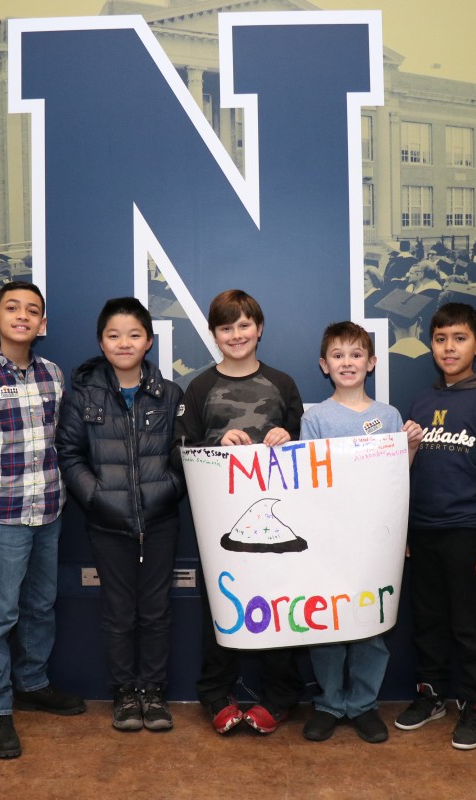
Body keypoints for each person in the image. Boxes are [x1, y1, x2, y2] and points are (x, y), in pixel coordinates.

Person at [0, 281, 85, 759]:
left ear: (42, 324)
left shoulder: (53, 374)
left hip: (49, 510)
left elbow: (58, 443)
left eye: (32, 311)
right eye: (12, 308)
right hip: (2, 516)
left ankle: (32, 683)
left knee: (40, 606)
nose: (23, 316)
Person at [174, 289, 305, 736]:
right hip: (219, 525)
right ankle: (215, 694)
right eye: (226, 327)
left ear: (259, 328)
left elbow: (308, 457)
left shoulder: (283, 384)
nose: (236, 334)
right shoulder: (199, 387)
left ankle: (281, 696)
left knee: (278, 606)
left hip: (276, 523)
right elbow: (179, 453)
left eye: (244, 325)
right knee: (223, 609)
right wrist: (216, 445)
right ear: (213, 334)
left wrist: (289, 438)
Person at [56, 297, 185, 732]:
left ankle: (153, 691)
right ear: (101, 341)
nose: (124, 343)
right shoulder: (82, 397)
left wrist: (164, 493)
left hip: (161, 521)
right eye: (114, 335)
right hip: (106, 523)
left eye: (133, 335)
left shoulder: (169, 395)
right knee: (118, 614)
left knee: (155, 612)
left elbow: (182, 458)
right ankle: (125, 694)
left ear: (148, 341)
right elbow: (70, 455)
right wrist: (97, 498)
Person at [395, 303, 476, 751]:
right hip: (424, 530)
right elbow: (405, 472)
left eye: (460, 339)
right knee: (426, 619)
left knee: (469, 624)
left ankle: (475, 704)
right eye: (442, 339)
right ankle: (431, 694)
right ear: (431, 345)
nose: (450, 348)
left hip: (468, 531)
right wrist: (406, 529)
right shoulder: (422, 402)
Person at [299, 321, 419, 744]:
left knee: (370, 625)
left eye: (355, 355)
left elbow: (395, 481)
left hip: (375, 540)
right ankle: (331, 703)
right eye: (337, 355)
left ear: (371, 363)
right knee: (329, 627)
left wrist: (410, 449)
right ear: (323, 364)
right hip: (330, 539)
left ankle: (364, 705)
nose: (346, 362)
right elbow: (307, 485)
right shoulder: (314, 419)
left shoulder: (388, 417)